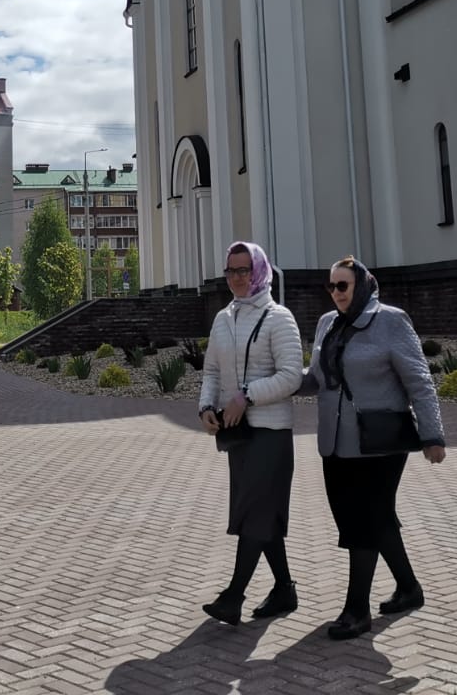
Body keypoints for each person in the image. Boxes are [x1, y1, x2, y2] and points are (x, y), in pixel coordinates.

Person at [298, 255, 446, 640]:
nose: (336, 293)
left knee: (367, 520)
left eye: (342, 285)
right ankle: (409, 588)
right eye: (330, 286)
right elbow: (317, 379)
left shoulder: (391, 320)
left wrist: (432, 436)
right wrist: (274, 384)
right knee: (367, 520)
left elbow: (419, 381)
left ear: (362, 284)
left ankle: (356, 610)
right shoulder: (327, 324)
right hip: (335, 441)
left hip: (379, 442)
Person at [197, 241, 304, 626]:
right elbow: (211, 372)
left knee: (256, 514)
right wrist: (207, 407)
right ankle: (284, 590)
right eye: (231, 271)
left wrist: (247, 396)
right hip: (237, 433)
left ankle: (234, 595)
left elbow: (292, 375)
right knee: (263, 515)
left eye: (244, 270)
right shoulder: (224, 319)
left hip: (271, 433)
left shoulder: (280, 318)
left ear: (259, 271)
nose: (238, 279)